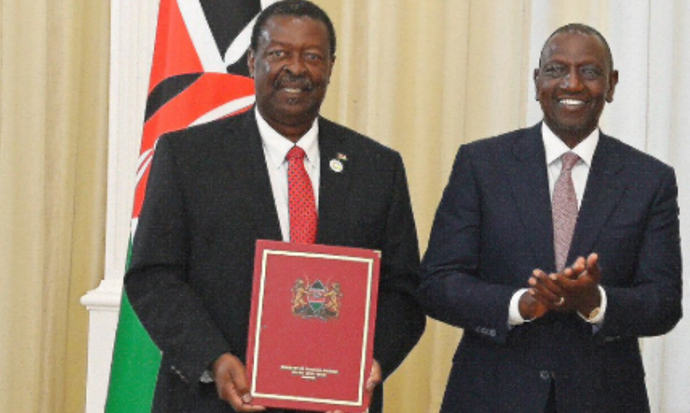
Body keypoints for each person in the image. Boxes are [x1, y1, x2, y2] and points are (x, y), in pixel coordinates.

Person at [125, 1, 425, 412]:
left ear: (331, 66)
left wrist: (372, 361)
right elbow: (153, 276)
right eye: (279, 53)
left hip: (337, 403)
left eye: (312, 56)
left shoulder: (378, 167)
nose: (296, 68)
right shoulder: (188, 156)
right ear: (252, 62)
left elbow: (404, 290)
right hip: (213, 400)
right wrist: (213, 358)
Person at [419, 23, 682, 413]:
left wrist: (596, 302)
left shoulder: (650, 179)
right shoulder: (481, 164)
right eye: (557, 70)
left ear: (611, 85)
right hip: (490, 396)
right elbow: (437, 284)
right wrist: (519, 304)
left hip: (604, 399)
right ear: (537, 80)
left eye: (590, 72)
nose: (572, 84)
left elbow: (663, 302)